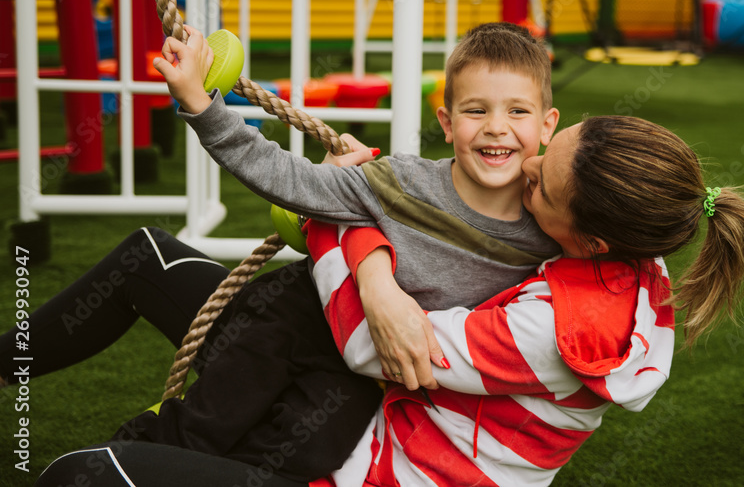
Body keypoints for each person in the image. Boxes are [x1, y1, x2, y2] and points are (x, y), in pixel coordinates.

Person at [26, 114, 744, 486]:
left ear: (594, 242)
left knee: (84, 473)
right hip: (347, 389)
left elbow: (367, 342)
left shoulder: (556, 329)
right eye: (550, 147)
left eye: (542, 180)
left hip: (352, 460)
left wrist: (345, 223)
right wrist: (388, 196)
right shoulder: (635, 246)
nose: (526, 170)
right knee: (149, 257)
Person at [160, 22, 563, 388]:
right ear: (447, 122)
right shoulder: (403, 183)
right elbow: (288, 178)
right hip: (309, 338)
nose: (496, 126)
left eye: (517, 111)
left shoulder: (555, 226)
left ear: (547, 125)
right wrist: (200, 104)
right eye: (476, 110)